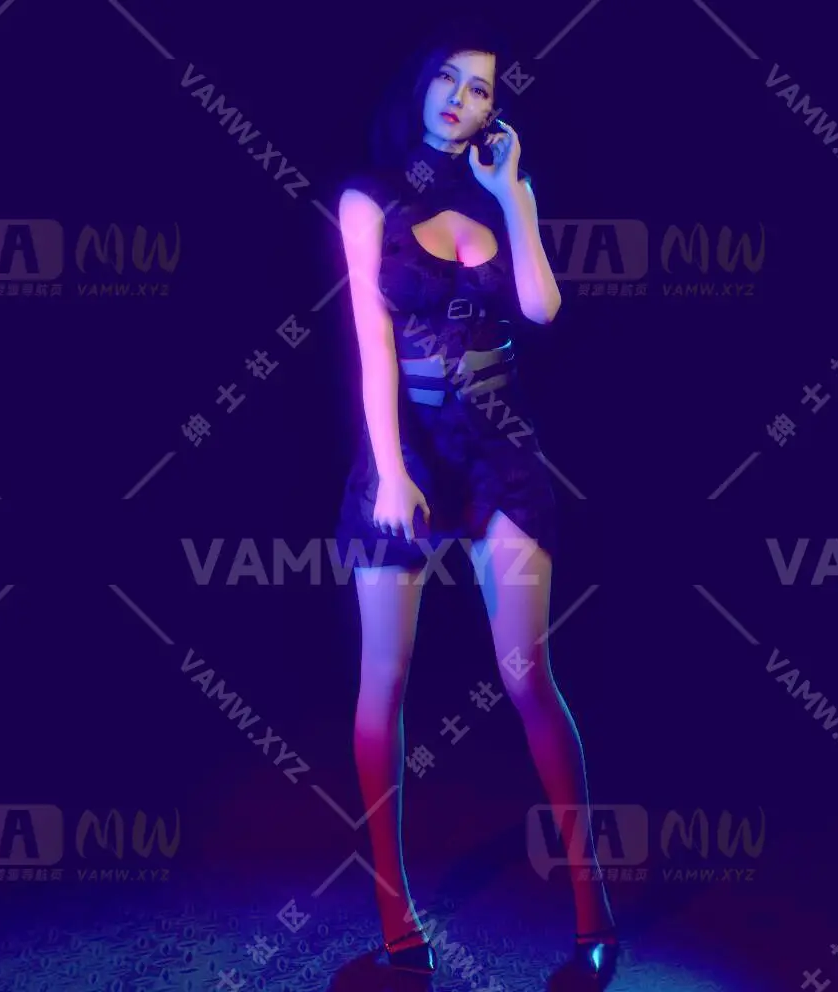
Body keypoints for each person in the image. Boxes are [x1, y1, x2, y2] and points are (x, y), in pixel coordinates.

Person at [332, 18, 619, 989]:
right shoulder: (367, 196)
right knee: (384, 680)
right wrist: (391, 471)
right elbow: (372, 346)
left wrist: (514, 195)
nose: (461, 100)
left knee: (527, 673)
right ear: (418, 86)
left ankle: (594, 917)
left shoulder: (501, 190)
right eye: (448, 80)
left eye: (481, 88)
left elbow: (540, 309)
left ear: (497, 109)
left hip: (501, 453)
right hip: (406, 450)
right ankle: (398, 933)